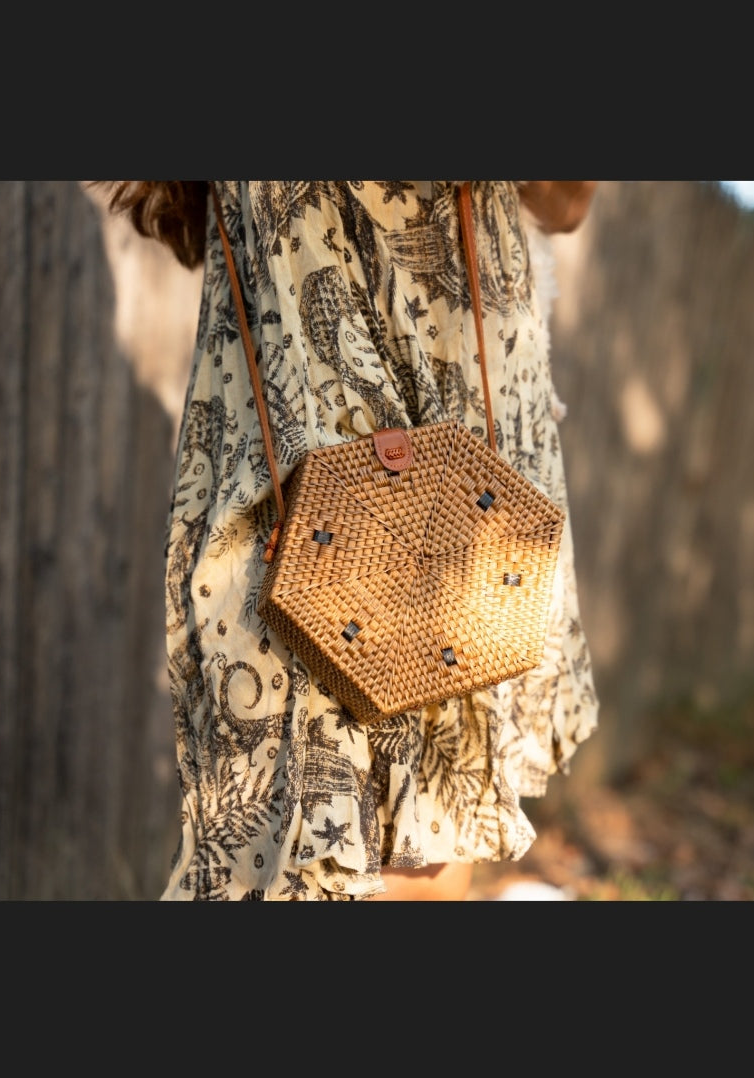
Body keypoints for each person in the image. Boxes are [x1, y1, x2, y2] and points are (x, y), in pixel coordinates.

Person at [98, 180, 600, 900]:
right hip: (395, 398)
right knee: (409, 807)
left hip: (318, 401)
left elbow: (563, 203)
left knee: (356, 809)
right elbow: (564, 200)